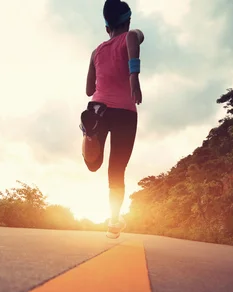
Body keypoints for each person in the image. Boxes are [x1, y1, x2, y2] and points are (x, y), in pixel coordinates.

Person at [80, 0, 143, 239]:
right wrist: (133, 78)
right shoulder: (131, 36)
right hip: (125, 111)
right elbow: (135, 38)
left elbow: (88, 89)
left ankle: (89, 133)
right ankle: (114, 221)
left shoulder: (96, 51)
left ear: (107, 27)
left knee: (93, 164)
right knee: (116, 171)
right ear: (127, 21)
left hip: (98, 107)